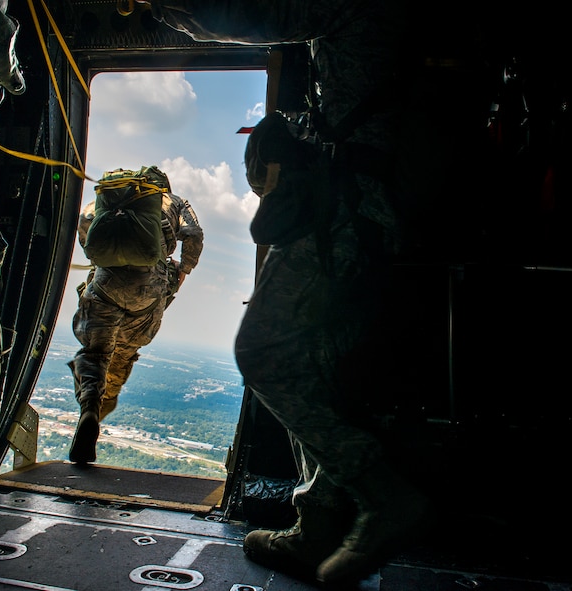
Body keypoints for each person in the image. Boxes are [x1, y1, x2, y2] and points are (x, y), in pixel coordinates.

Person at [138, 0, 496, 585]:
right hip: (381, 216)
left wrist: (171, 8)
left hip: (340, 212)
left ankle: (386, 497)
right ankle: (318, 530)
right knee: (320, 370)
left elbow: (254, 16)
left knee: (264, 354)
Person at [68, 173, 204, 464]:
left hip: (106, 281)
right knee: (124, 352)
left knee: (94, 353)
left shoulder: (115, 196)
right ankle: (104, 402)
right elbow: (193, 234)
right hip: (148, 289)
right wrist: (185, 267)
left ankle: (90, 407)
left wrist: (100, 256)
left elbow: (84, 222)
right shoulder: (175, 202)